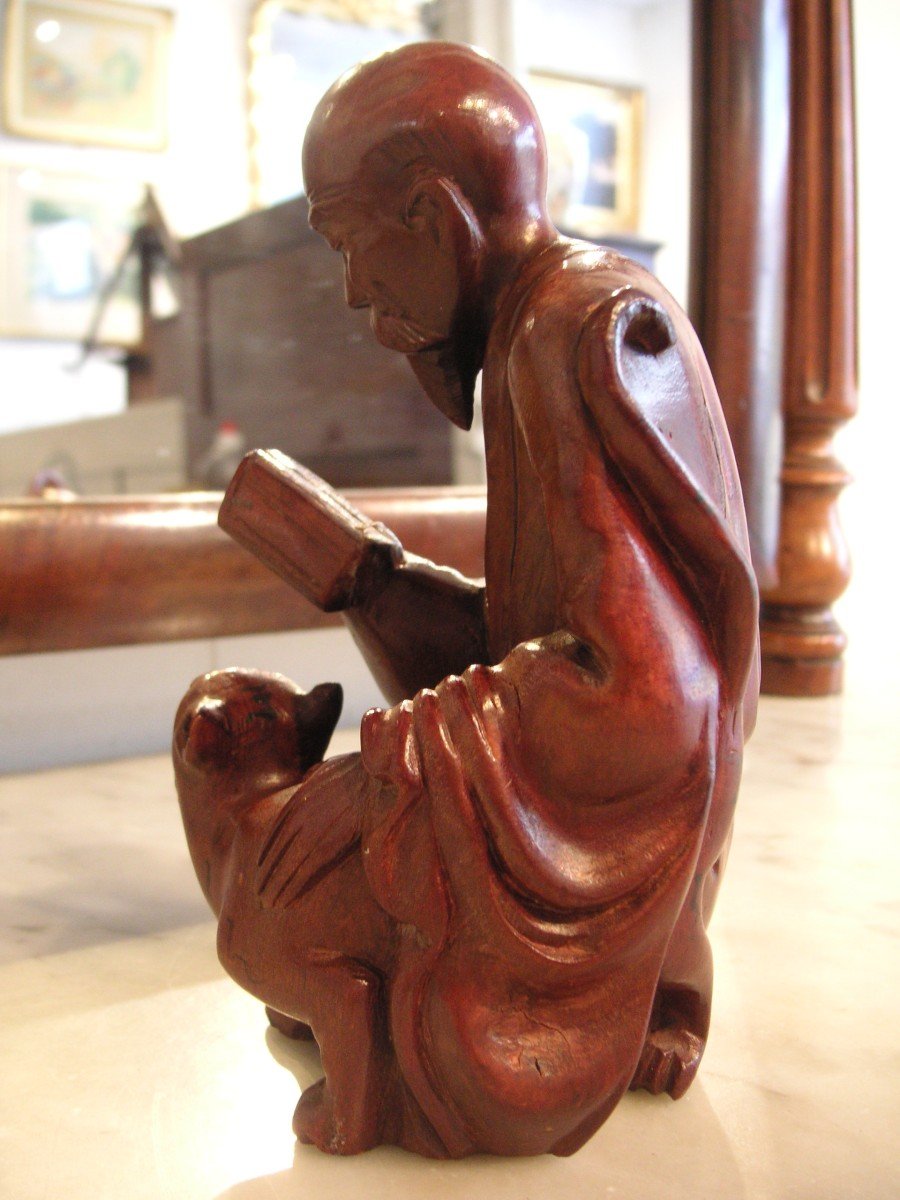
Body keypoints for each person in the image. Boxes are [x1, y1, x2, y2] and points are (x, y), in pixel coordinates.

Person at [174, 42, 759, 1158]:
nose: (355, 293)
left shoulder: (564, 331)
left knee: (314, 855)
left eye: (354, 245)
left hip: (638, 822)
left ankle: (504, 1040)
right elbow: (549, 643)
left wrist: (399, 768)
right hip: (612, 793)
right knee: (312, 874)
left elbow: (648, 696)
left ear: (435, 219)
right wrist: (372, 580)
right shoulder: (546, 324)